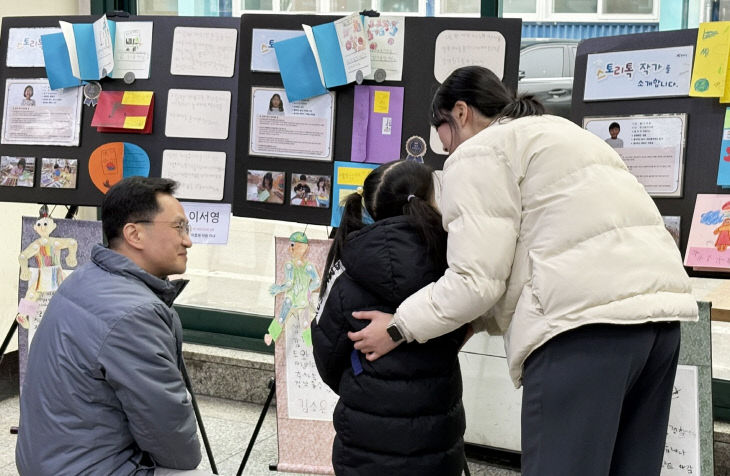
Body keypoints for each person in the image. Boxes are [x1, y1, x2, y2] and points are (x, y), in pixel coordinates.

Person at [347, 66, 698, 476]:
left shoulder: (479, 151)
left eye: (444, 138)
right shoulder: (560, 132)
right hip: (659, 322)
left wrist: (397, 328)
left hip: (583, 332)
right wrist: (469, 325)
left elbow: (474, 282)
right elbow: (526, 255)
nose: (447, 153)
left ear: (459, 112)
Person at [16, 177, 212, 476]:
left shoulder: (85, 277)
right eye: (178, 227)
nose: (188, 240)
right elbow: (170, 434)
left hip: (48, 461)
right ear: (134, 234)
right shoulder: (135, 313)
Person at [312, 160, 466, 476]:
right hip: (435, 438)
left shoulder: (347, 273)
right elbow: (462, 328)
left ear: (370, 207)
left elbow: (326, 357)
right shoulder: (454, 271)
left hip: (364, 441)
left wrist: (362, 379)